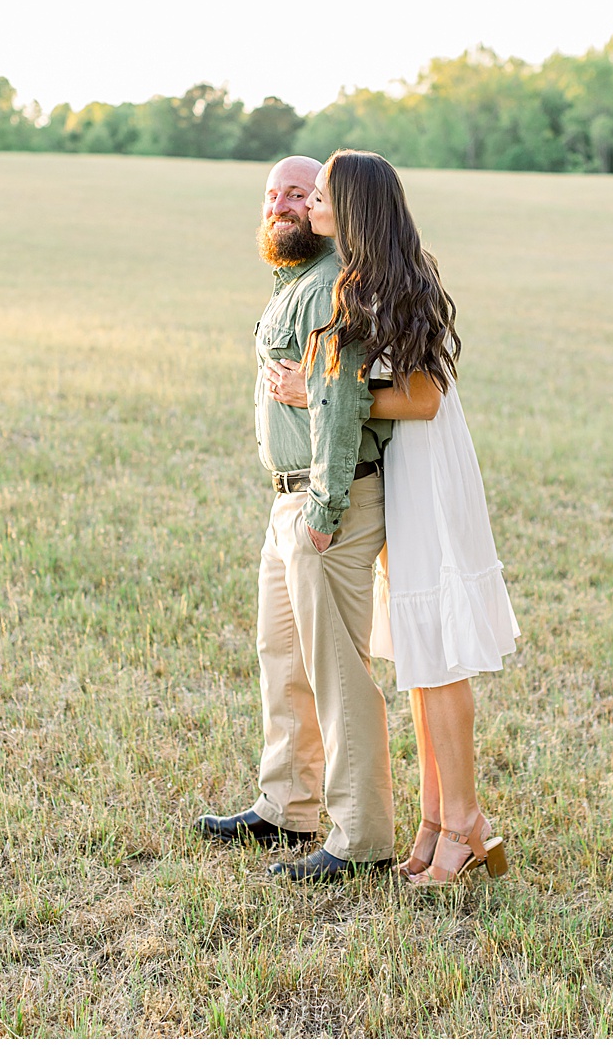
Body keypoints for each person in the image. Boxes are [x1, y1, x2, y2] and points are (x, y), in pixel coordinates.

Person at [263, 149, 519, 887]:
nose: (307, 204)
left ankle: (466, 822)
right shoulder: (366, 276)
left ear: (352, 205)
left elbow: (425, 398)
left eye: (319, 196)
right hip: (400, 468)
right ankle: (436, 820)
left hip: (429, 466)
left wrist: (320, 396)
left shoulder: (401, 281)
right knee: (418, 650)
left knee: (437, 653)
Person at [196, 156, 398, 881]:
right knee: (283, 658)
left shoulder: (326, 290)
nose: (284, 204)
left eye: (301, 194)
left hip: (327, 501)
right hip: (289, 499)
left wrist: (323, 505)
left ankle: (362, 837)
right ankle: (289, 806)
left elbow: (343, 403)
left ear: (325, 208)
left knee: (338, 671)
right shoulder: (295, 286)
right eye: (273, 193)